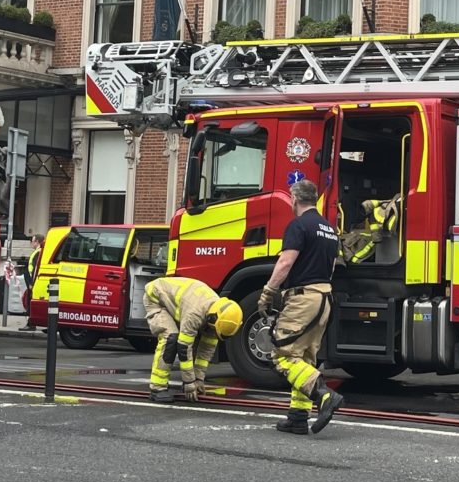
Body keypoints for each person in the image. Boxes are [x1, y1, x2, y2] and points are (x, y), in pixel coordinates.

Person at [258, 179, 344, 435]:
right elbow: (330, 267)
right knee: (305, 357)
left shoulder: (298, 226)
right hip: (324, 297)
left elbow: (286, 262)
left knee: (282, 355)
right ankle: (298, 416)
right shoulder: (329, 229)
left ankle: (323, 395)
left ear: (294, 200)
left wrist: (268, 292)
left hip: (303, 297)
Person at [141, 274, 242, 403]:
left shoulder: (218, 313)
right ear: (212, 319)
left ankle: (183, 381)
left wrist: (198, 379)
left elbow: (206, 351)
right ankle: (157, 387)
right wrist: (189, 383)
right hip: (156, 299)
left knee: (184, 338)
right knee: (171, 338)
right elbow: (184, 348)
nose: (213, 333)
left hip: (176, 303)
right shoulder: (195, 313)